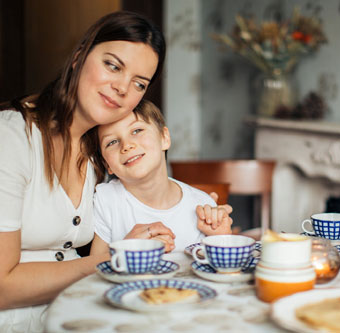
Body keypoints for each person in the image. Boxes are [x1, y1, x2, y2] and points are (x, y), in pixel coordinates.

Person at [0, 11, 231, 332]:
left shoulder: (98, 153)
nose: (123, 87)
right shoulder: (10, 137)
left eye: (139, 83)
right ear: (80, 56)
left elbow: (149, 194)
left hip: (80, 312)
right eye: (113, 65)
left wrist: (204, 216)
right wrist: (111, 259)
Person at [88, 100, 232, 255]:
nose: (126, 145)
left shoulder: (203, 206)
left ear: (164, 138)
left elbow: (221, 271)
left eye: (136, 131)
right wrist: (127, 249)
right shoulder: (107, 200)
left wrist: (221, 239)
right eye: (112, 142)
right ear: (106, 164)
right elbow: (93, 270)